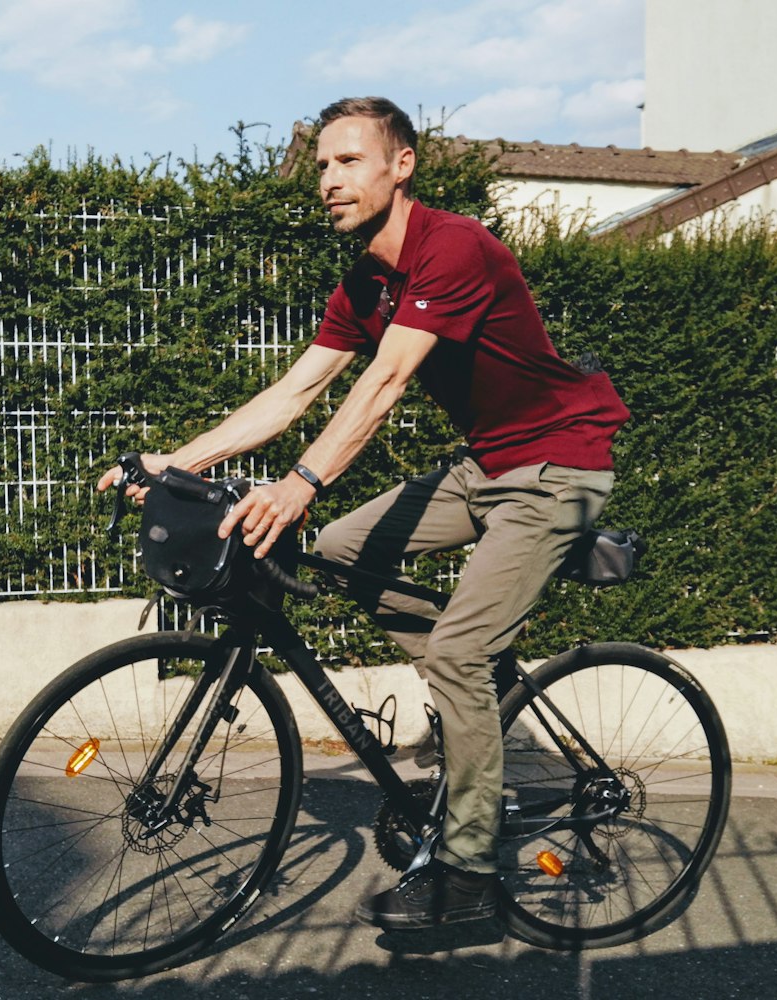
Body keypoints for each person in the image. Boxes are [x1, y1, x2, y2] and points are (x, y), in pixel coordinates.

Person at [98, 96, 630, 930]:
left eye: (349, 161)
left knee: (452, 650)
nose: (329, 180)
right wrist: (178, 460)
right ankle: (473, 683)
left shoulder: (455, 248)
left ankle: (470, 874)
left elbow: (382, 386)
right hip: (485, 463)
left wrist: (299, 484)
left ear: (401, 165)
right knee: (340, 552)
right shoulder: (367, 281)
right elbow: (295, 391)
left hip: (559, 462)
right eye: (321, 165)